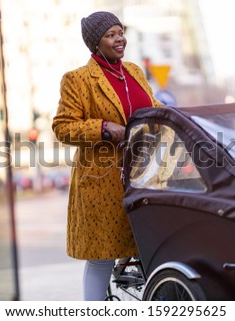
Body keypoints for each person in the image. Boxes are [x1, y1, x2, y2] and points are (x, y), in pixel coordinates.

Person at [52, 11, 163, 301]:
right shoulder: (78, 80)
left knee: (151, 246)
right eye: (110, 35)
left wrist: (176, 117)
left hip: (143, 173)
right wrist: (103, 128)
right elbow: (63, 127)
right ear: (95, 42)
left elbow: (154, 106)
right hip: (102, 182)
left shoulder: (135, 72)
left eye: (120, 32)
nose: (119, 39)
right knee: (102, 257)